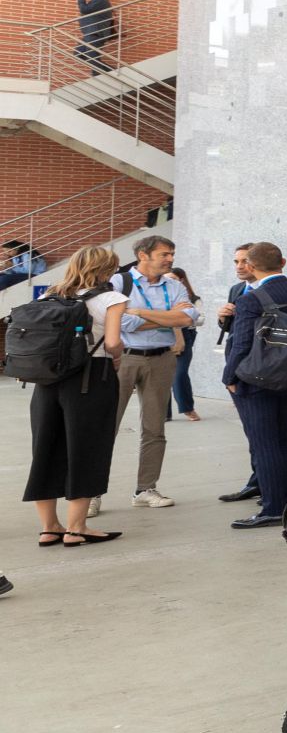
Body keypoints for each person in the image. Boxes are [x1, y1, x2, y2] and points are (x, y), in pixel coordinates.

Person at [22, 244, 127, 547]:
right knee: (87, 448)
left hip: (47, 379)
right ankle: (76, 528)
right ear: (106, 269)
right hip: (91, 377)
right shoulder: (112, 298)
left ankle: (49, 528)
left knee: (45, 448)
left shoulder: (48, 295)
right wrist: (117, 357)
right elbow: (112, 343)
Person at [222, 242, 287, 527]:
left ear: (251, 266)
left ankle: (273, 509)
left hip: (254, 381)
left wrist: (229, 378)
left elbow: (241, 345)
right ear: (283, 262)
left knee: (264, 442)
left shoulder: (250, 299)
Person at [111, 234, 198, 508]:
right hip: (123, 359)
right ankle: (92, 493)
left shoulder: (174, 285)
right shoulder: (119, 283)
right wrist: (167, 318)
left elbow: (188, 318)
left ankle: (145, 489)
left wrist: (138, 313)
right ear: (143, 255)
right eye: (164, 254)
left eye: (172, 254)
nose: (170, 259)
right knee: (106, 427)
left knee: (154, 428)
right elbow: (120, 322)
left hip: (161, 359)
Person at [211, 246, 261, 505]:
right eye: (236, 261)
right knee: (252, 430)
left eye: (245, 261)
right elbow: (234, 331)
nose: (239, 266)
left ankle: (268, 484)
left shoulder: (269, 291)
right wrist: (223, 318)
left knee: (264, 432)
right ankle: (257, 481)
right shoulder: (237, 290)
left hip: (260, 369)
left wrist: (229, 377)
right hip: (238, 366)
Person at [167, 264, 204, 422]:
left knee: (180, 373)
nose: (170, 282)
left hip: (185, 335)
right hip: (163, 333)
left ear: (181, 280)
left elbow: (200, 320)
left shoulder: (192, 299)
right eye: (166, 279)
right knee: (162, 374)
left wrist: (181, 318)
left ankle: (188, 408)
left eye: (173, 279)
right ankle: (164, 412)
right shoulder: (160, 297)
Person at [72, 0, 116, 75]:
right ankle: (112, 71)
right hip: (90, 33)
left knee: (92, 56)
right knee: (79, 53)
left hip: (96, 33)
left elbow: (84, 10)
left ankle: (98, 76)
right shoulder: (95, 0)